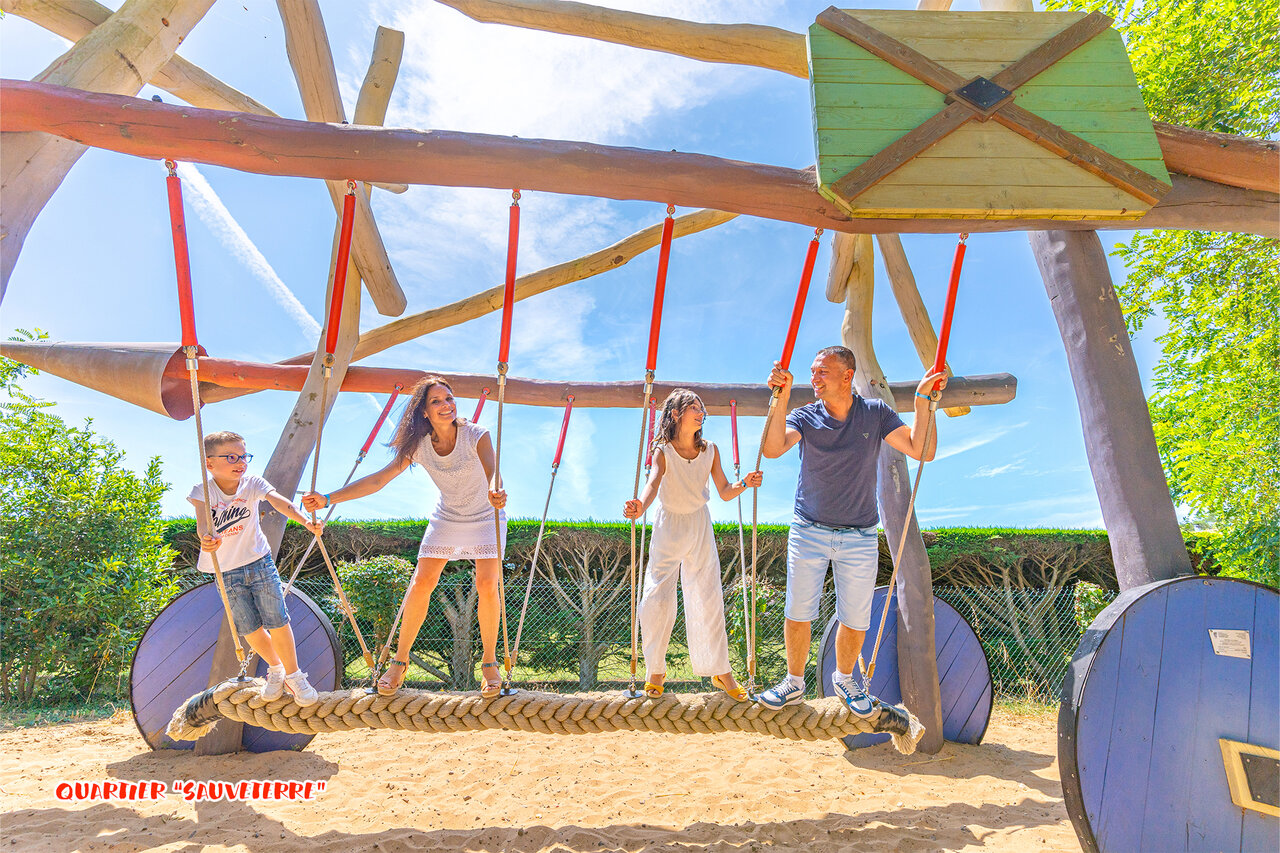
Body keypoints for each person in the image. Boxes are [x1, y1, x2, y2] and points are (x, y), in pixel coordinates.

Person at [755, 346, 946, 717]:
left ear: (847, 376)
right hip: (808, 529)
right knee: (798, 610)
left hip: (859, 534)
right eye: (813, 371)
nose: (814, 378)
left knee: (856, 617)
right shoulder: (805, 415)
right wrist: (779, 398)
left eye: (822, 371)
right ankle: (794, 682)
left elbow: (921, 450)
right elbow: (772, 448)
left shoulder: (874, 413)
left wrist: (923, 402)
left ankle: (844, 679)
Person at [302, 376, 508, 697]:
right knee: (422, 582)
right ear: (424, 411)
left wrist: (496, 488)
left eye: (449, 398)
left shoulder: (475, 434)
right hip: (448, 516)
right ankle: (399, 661)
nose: (446, 405)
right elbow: (378, 480)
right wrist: (328, 498)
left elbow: (492, 469)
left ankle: (490, 663)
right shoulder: (419, 446)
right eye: (436, 401)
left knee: (486, 584)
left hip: (486, 513)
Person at [623, 389, 763, 701]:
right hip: (668, 525)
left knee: (708, 596)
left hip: (699, 524)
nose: (701, 413)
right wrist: (640, 506)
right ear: (675, 414)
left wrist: (745, 483)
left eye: (702, 409)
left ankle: (720, 671)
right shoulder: (662, 451)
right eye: (694, 408)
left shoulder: (710, 450)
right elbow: (653, 483)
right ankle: (655, 670)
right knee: (656, 598)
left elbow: (724, 490)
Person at [190, 431, 325, 706]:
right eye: (231, 457)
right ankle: (276, 668)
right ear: (209, 463)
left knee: (277, 619)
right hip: (226, 570)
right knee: (248, 627)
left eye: (244, 456)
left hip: (258, 561)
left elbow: (279, 501)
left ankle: (295, 675)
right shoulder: (203, 490)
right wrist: (206, 538)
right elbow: (202, 524)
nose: (240, 462)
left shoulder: (252, 483)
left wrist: (305, 521)